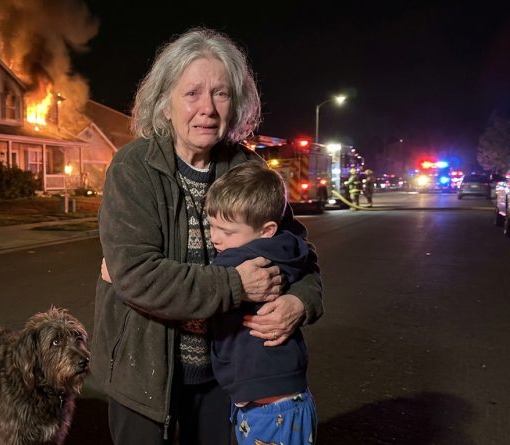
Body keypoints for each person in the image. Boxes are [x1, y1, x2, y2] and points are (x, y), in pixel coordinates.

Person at [93, 28, 323, 445]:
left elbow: (298, 254)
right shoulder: (133, 168)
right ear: (165, 103)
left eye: (220, 94)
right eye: (192, 93)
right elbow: (139, 277)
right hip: (144, 375)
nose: (208, 109)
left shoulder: (249, 170)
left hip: (226, 378)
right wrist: (237, 284)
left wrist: (300, 302)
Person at [206, 162, 316, 445]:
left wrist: (126, 275)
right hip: (282, 393)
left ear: (267, 229)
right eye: (211, 226)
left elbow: (198, 287)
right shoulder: (287, 246)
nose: (215, 238)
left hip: (269, 404)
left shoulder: (236, 259)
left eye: (227, 231)